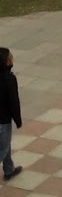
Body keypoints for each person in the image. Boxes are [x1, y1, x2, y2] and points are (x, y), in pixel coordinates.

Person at [0, 46, 23, 182]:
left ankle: (9, 169)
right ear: (7, 62)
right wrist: (18, 120)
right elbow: (13, 102)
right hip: (3, 121)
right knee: (3, 147)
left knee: (5, 144)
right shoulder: (9, 79)